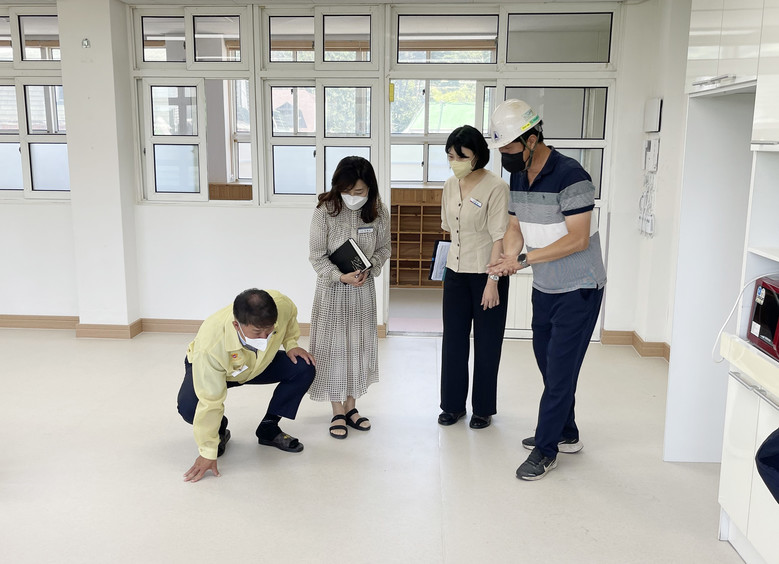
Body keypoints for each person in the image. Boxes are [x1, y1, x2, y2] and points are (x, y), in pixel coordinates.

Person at [486, 99, 607, 481]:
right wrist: (509, 257)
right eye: (501, 150)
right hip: (546, 286)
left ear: (532, 138)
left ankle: (546, 448)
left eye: (509, 147)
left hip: (580, 287)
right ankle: (566, 431)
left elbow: (577, 238)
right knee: (548, 364)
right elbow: (515, 227)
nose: (504, 156)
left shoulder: (571, 175)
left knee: (558, 371)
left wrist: (523, 260)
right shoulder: (519, 177)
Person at [177, 288, 316, 483]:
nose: (265, 338)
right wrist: (207, 451)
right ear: (237, 325)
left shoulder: (281, 304)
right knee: (190, 407)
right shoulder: (211, 345)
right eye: (257, 332)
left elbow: (290, 317)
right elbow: (211, 401)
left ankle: (268, 428)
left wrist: (291, 344)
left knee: (303, 367)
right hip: (220, 369)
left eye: (269, 330)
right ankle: (219, 431)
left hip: (259, 364)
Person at [308, 156, 391, 439]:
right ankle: (337, 410)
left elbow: (384, 248)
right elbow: (317, 256)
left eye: (359, 191)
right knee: (333, 350)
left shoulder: (378, 211)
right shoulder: (325, 211)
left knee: (358, 347)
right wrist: (339, 276)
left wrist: (371, 267)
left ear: (370, 189)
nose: (353, 197)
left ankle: (352, 406)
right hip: (332, 292)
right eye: (347, 191)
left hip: (362, 291)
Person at [438, 125, 509, 430]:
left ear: (477, 155)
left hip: (486, 275)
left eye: (461, 156)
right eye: (450, 156)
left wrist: (493, 281)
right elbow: (448, 228)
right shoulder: (449, 185)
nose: (455, 162)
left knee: (487, 343)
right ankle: (452, 406)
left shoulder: (496, 187)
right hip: (455, 273)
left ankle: (483, 409)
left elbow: (499, 237)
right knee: (453, 342)